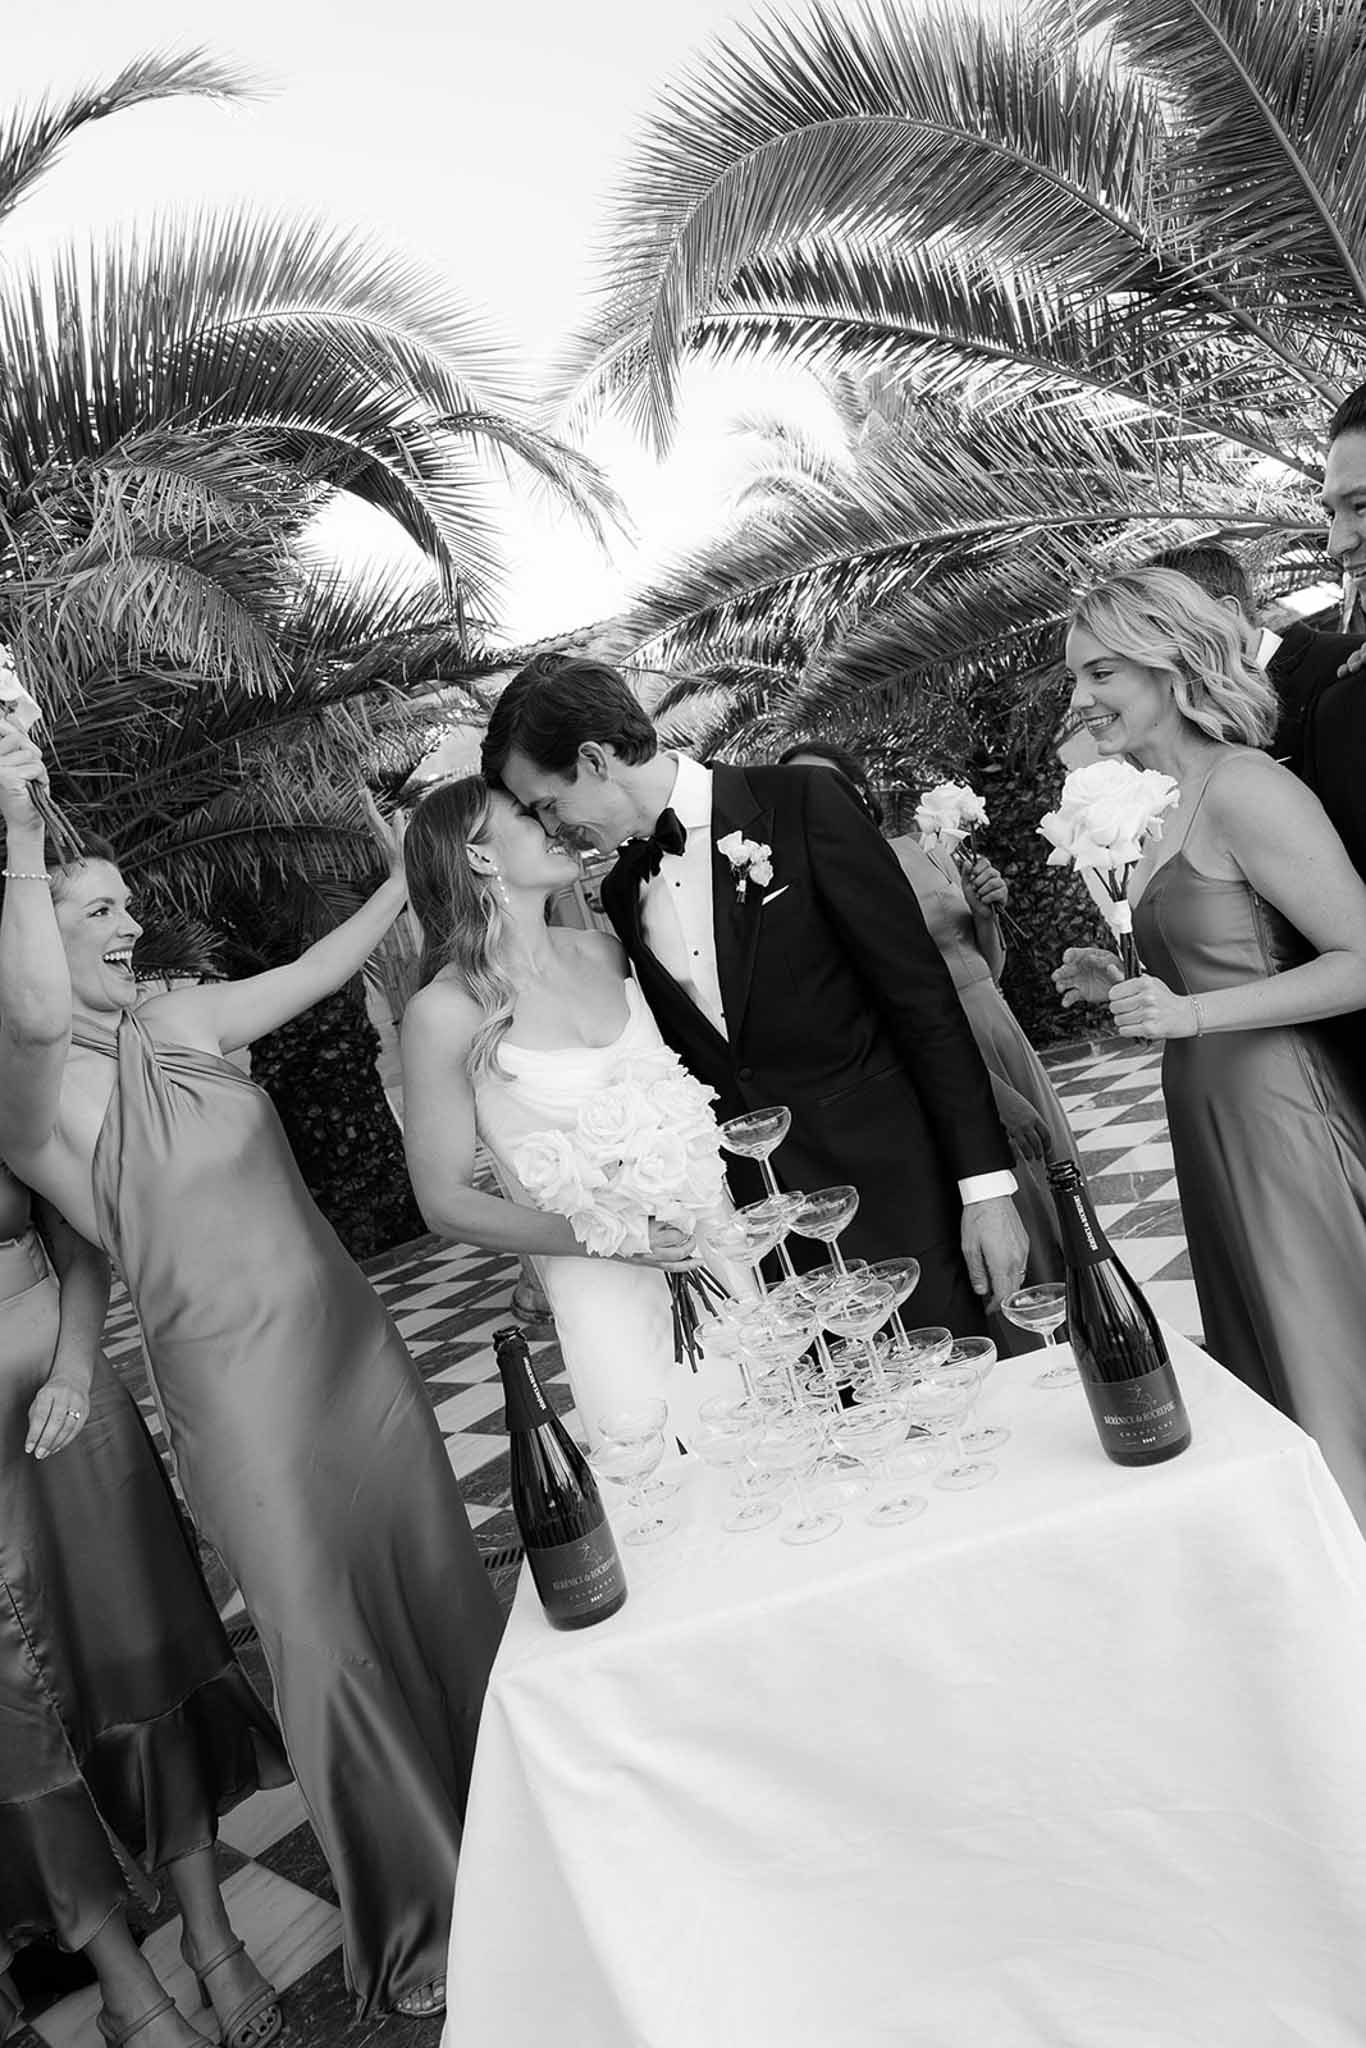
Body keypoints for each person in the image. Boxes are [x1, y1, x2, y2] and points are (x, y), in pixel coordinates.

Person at [0, 728, 503, 2021]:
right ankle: (414, 1908)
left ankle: (514, 1828)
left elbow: (327, 968)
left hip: (348, 1347)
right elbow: (38, 1025)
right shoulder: (27, 1091)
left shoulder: (178, 1019)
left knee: (430, 1579)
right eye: (95, 907)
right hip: (233, 1393)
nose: (127, 920)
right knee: (319, 1639)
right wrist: (15, 830)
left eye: (123, 899)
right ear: (33, 946)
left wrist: (399, 860)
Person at [481, 658, 1029, 1338]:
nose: (552, 829)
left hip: (898, 1199)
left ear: (594, 760)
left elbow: (925, 1007)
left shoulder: (803, 804)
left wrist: (986, 1191)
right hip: (763, 1236)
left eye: (547, 805)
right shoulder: (623, 890)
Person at [1051, 567, 1366, 1526]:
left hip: (1281, 1119)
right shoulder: (1153, 802)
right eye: (1076, 677)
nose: (1081, 699)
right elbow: (1221, 956)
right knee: (1270, 1360)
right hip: (1206, 1114)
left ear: (1171, 659)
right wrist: (1132, 982)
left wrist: (1191, 1016)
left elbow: (1361, 958)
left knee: (1331, 1357)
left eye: (1102, 671)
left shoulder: (1246, 786)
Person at [0, 1165, 288, 2048]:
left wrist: (74, 1372)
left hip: (66, 1412)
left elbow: (79, 1247)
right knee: (16, 1732)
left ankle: (213, 1940)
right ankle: (130, 1995)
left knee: (145, 1660)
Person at [399, 775, 745, 1444]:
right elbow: (443, 1201)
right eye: (529, 817)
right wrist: (614, 1238)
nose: (555, 825)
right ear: (479, 856)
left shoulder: (608, 951)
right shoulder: (445, 1012)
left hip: (717, 1246)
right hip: (603, 1289)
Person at [775, 742, 1076, 1296]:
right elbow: (891, 1009)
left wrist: (985, 915)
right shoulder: (818, 887)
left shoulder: (926, 849)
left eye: (824, 784)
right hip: (950, 1059)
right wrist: (994, 1100)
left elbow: (986, 967)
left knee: (1058, 1192)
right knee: (1015, 1209)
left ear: (858, 792)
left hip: (999, 1028)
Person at [1146, 540, 1365, 778]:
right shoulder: (1182, 717)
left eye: (1165, 627)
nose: (1153, 648)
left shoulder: (1349, 664)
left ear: (1227, 613)